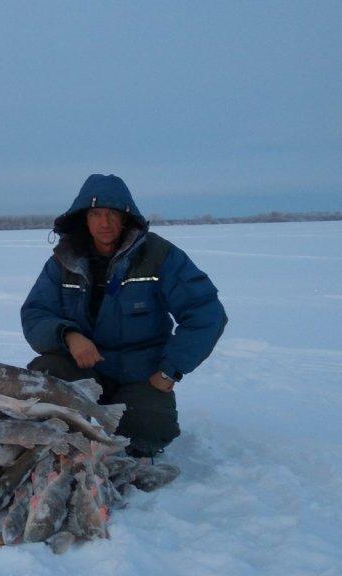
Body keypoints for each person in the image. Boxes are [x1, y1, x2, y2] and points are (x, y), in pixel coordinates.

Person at [20, 174, 228, 458]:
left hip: (140, 374)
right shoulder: (63, 261)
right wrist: (69, 335)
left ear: (127, 218)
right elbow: (35, 312)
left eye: (113, 214)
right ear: (84, 218)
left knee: (149, 436)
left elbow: (207, 313)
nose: (104, 223)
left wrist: (170, 369)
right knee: (44, 376)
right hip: (83, 369)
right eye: (96, 214)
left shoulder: (159, 255)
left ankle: (135, 427)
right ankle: (59, 437)